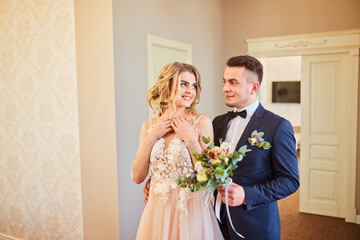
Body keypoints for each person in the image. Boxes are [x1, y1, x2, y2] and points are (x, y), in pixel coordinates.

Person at [132, 62, 224, 240]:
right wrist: (153, 136)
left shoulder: (201, 122)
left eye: (194, 85)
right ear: (167, 85)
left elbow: (207, 178)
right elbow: (137, 176)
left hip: (190, 210)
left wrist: (190, 139)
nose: (190, 90)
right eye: (184, 84)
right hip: (157, 211)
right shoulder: (149, 126)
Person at [214, 55, 299, 239]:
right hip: (217, 220)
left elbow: (290, 181)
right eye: (225, 81)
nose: (225, 88)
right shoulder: (218, 123)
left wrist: (246, 194)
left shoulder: (278, 126)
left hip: (255, 225)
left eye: (233, 82)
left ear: (254, 87)